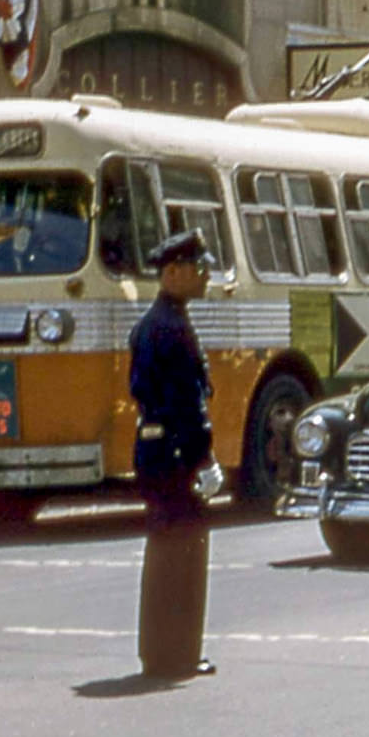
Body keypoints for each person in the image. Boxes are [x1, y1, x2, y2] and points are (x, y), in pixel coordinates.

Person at [129, 229, 219, 679]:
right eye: (199, 268)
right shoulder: (171, 327)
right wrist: (205, 459)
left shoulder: (155, 322)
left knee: (164, 553)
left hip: (155, 450)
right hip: (177, 454)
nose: (206, 276)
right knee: (184, 557)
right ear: (173, 273)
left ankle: (159, 653)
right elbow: (186, 403)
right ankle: (179, 655)